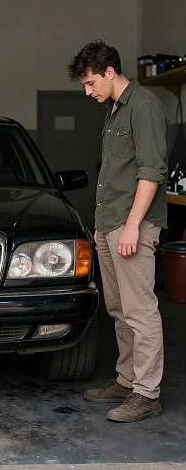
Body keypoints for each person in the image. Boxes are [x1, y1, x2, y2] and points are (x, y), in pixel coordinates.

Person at [68, 40, 168, 422]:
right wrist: (101, 225)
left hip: (133, 227)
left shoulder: (143, 107)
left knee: (141, 311)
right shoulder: (113, 109)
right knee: (118, 308)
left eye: (91, 83)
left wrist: (131, 226)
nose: (87, 91)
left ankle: (147, 393)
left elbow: (150, 172)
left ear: (110, 72)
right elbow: (114, 172)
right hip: (110, 226)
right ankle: (127, 380)